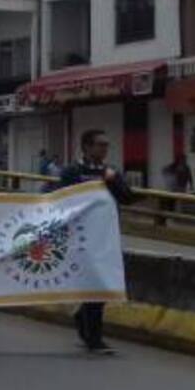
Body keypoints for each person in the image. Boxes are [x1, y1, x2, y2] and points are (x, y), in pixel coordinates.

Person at [54, 130, 136, 354]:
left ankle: (90, 329)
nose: (104, 149)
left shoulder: (111, 172)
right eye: (100, 145)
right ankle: (93, 337)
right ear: (87, 147)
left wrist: (112, 182)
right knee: (92, 283)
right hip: (80, 236)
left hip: (104, 237)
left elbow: (127, 197)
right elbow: (58, 198)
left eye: (106, 145)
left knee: (101, 283)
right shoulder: (73, 171)